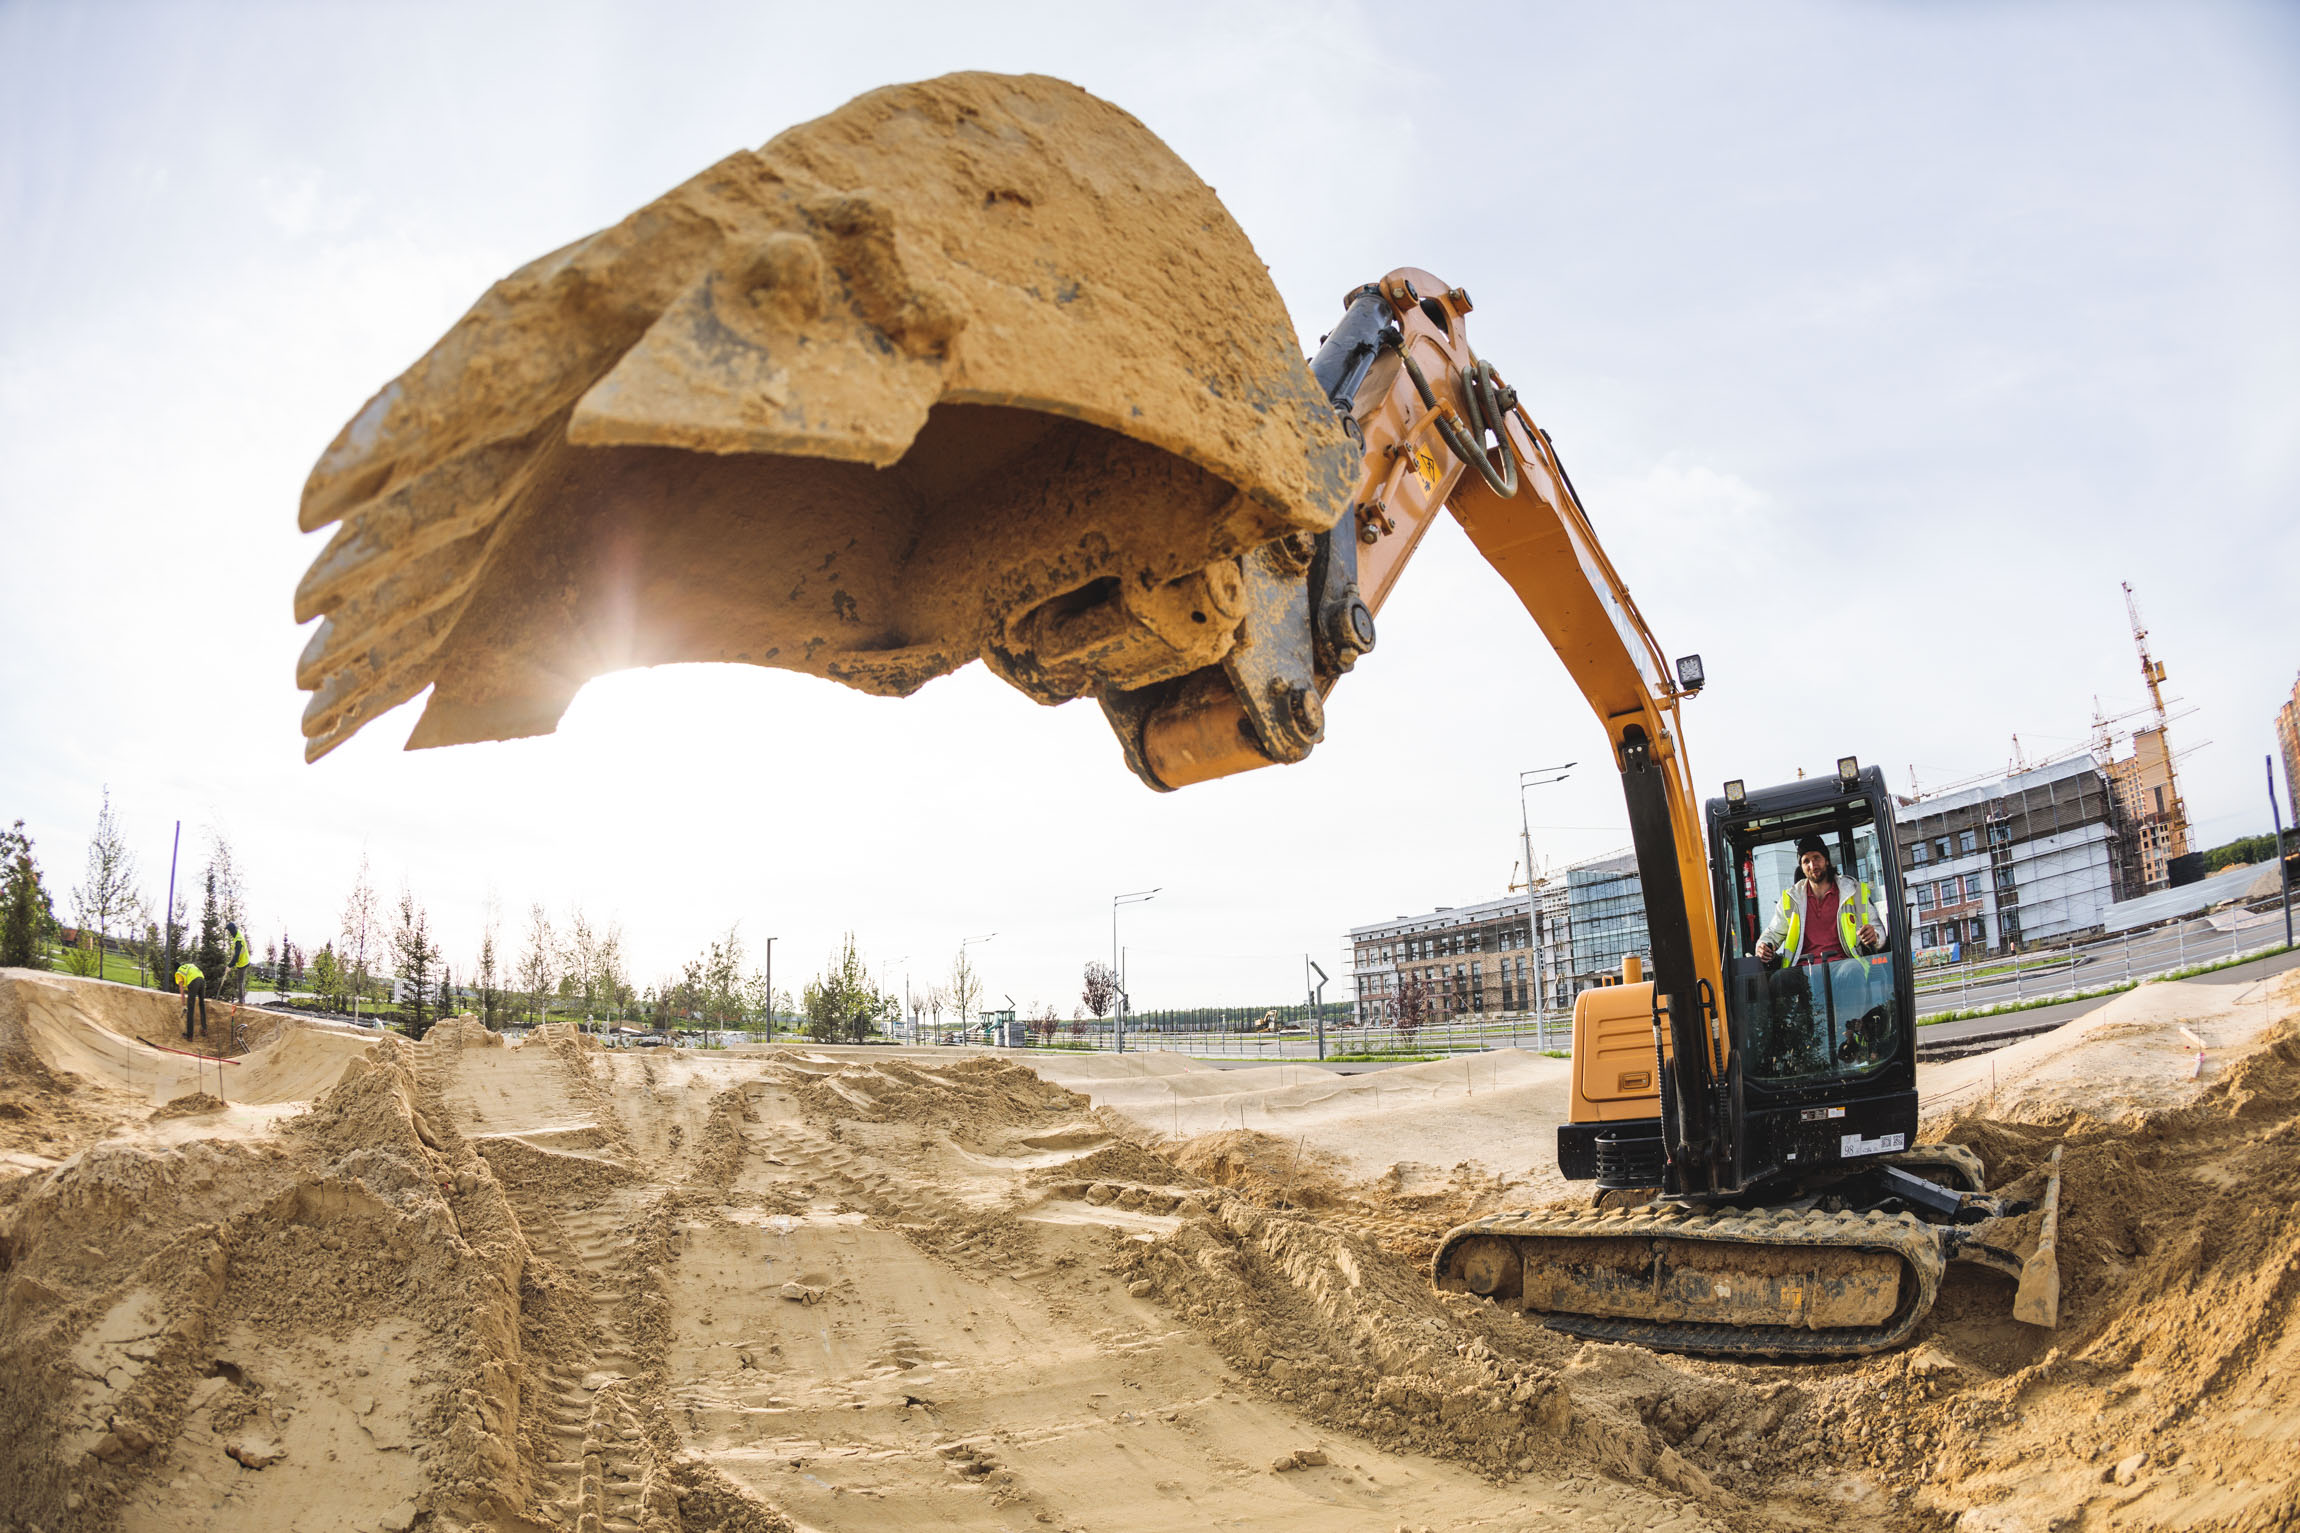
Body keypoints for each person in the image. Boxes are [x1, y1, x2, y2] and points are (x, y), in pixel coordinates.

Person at [1755, 835, 1885, 965]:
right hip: (1803, 969)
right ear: (1801, 867)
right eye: (1806, 861)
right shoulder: (1791, 898)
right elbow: (1773, 933)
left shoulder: (1853, 891)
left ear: (1826, 860)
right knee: (1780, 977)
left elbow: (1878, 930)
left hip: (1844, 964)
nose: (1812, 865)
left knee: (1852, 969)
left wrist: (1874, 936)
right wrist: (1763, 946)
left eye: (1816, 858)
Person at [174, 960, 211, 1042]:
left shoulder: (179, 973)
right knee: (202, 1005)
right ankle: (204, 1029)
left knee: (190, 1009)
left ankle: (189, 1036)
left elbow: (181, 990)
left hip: (194, 982)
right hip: (202, 980)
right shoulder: (188, 966)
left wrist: (183, 1004)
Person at [222, 922, 254, 1004]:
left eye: (230, 931)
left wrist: (230, 966)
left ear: (232, 930)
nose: (229, 933)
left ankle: (241, 1001)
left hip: (243, 962)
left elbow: (236, 956)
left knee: (240, 981)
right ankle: (242, 1000)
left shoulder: (238, 940)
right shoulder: (237, 935)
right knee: (240, 981)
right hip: (242, 961)